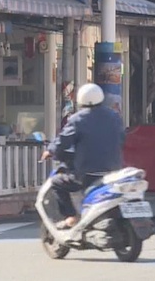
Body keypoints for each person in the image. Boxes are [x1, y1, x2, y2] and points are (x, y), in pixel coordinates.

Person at [41, 83, 125, 229]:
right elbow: (122, 137)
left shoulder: (78, 119)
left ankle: (71, 217)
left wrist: (50, 150)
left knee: (56, 182)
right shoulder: (114, 117)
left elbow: (63, 141)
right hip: (113, 170)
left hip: (87, 173)